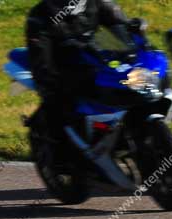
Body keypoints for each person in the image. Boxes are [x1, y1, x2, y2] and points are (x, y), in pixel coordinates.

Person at [26, 0, 144, 156]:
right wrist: (50, 81)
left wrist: (135, 32)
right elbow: (41, 60)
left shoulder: (97, 3)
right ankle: (65, 151)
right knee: (59, 103)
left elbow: (121, 25)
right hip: (63, 70)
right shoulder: (39, 17)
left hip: (96, 60)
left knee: (133, 86)